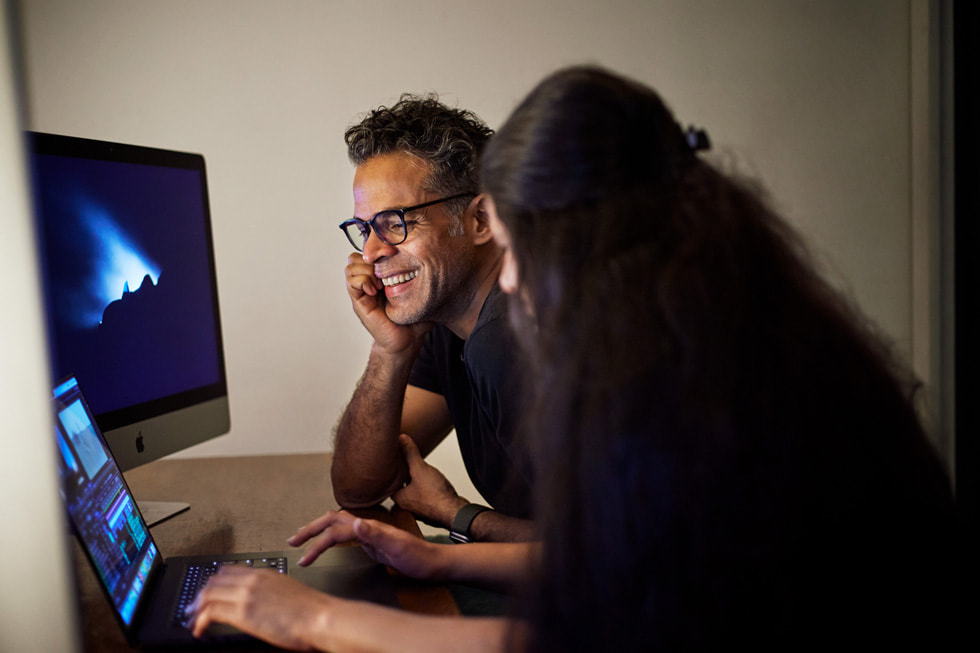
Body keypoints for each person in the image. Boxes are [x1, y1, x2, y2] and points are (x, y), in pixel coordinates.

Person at [188, 66, 957, 651]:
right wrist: (442, 561)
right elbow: (613, 565)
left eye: (522, 248)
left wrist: (320, 615)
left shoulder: (671, 387)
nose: (514, 281)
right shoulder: (718, 333)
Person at [332, 94, 535, 543]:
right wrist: (390, 348)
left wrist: (457, 516)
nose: (370, 252)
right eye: (365, 228)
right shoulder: (450, 323)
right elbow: (359, 487)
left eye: (395, 222)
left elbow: (617, 556)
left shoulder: (516, 336)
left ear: (481, 219)